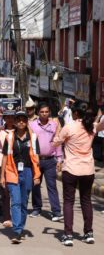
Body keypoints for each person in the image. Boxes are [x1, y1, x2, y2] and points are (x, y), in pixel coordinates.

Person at [53, 101, 104, 247]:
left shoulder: (70, 127)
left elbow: (55, 143)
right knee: (86, 201)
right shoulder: (92, 127)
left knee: (68, 201)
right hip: (88, 169)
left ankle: (68, 235)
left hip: (71, 169)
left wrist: (57, 130)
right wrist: (99, 115)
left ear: (75, 113)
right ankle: (89, 233)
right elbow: (100, 125)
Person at [0, 111, 41, 244]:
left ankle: (21, 228)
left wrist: (37, 175)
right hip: (12, 171)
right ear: (15, 122)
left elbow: (36, 158)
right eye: (19, 120)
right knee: (16, 202)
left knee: (24, 203)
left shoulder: (33, 137)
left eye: (24, 120)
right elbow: (5, 157)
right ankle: (17, 231)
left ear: (26, 122)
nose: (21, 122)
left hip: (28, 172)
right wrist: (2, 176)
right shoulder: (10, 137)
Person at [29, 102, 63, 221]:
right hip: (36, 161)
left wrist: (59, 159)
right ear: (38, 112)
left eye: (46, 112)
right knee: (35, 185)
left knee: (52, 186)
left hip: (50, 161)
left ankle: (56, 212)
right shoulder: (32, 125)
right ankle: (37, 208)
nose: (44, 114)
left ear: (49, 112)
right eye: (42, 112)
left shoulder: (54, 125)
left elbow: (57, 142)